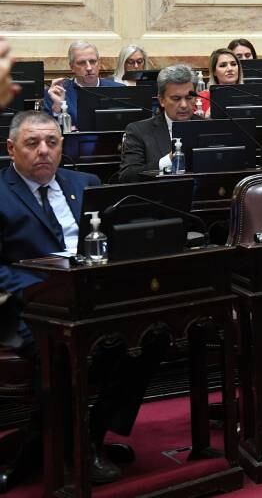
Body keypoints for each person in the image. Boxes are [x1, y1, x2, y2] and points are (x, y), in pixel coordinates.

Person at [1, 111, 166, 484]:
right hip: (24, 304)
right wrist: (47, 286)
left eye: (52, 142)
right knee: (62, 345)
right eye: (32, 143)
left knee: (154, 332)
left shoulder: (85, 182)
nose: (44, 151)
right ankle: (61, 446)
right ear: (11, 148)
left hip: (93, 295)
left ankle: (91, 433)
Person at [117, 65, 197, 182]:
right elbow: (127, 176)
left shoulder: (208, 127)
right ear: (161, 100)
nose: (184, 105)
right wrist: (169, 160)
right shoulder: (138, 131)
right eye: (176, 98)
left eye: (189, 97)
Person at [43, 41, 126, 130]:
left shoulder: (118, 89)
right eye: (82, 63)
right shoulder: (57, 93)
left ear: (99, 64)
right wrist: (57, 108)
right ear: (72, 67)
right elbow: (47, 131)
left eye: (93, 61)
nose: (89, 68)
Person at [194, 48, 241, 116]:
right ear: (214, 72)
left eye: (233, 64)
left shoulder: (250, 94)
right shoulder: (201, 98)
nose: (230, 69)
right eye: (223, 65)